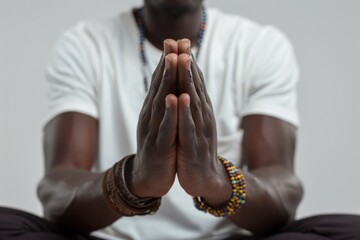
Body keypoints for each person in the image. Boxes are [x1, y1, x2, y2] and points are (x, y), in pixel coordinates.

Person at [1, 0, 360, 239]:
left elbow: (285, 192)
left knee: (345, 230)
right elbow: (55, 189)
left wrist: (216, 182)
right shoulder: (84, 44)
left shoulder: (260, 45)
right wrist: (133, 181)